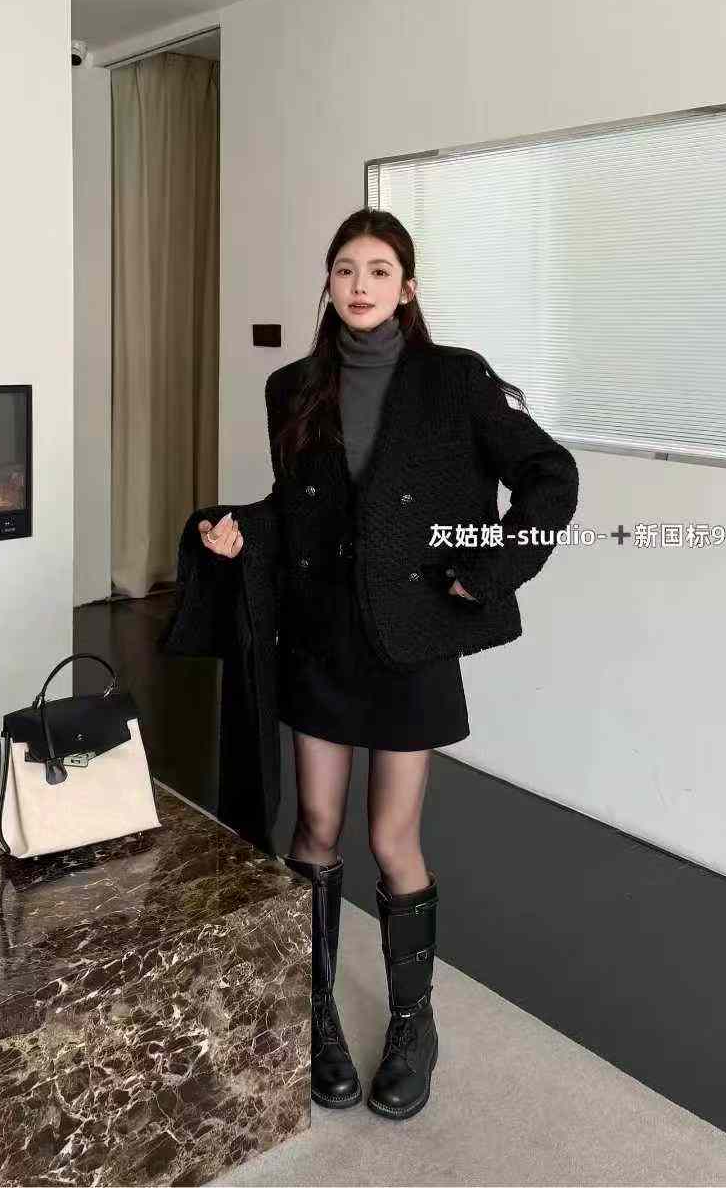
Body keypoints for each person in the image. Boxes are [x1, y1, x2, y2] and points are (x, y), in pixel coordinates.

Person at [196, 207, 578, 1122]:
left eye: (378, 269)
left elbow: (550, 475)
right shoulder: (292, 388)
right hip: (322, 639)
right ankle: (316, 1011)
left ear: (407, 287)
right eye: (344, 269)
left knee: (393, 838)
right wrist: (243, 529)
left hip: (410, 643)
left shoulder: (457, 379)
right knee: (316, 824)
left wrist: (490, 567)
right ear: (328, 284)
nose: (359, 284)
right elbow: (302, 508)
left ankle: (414, 1024)